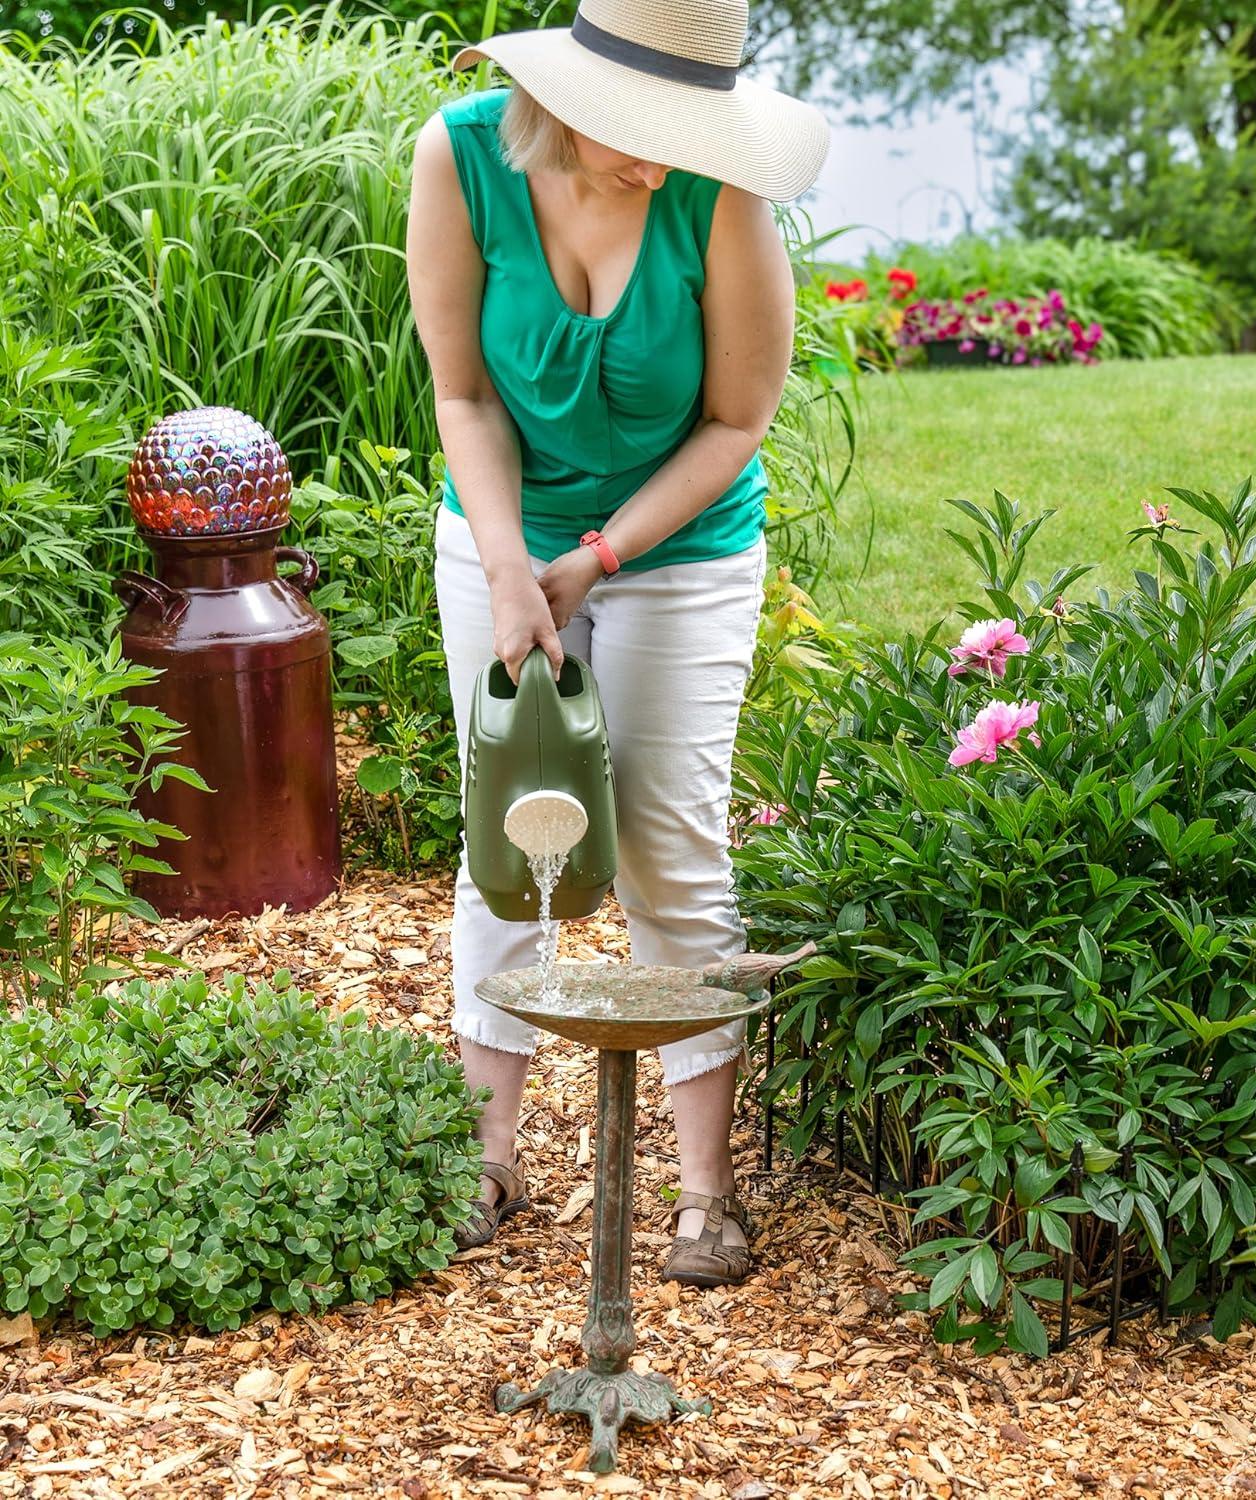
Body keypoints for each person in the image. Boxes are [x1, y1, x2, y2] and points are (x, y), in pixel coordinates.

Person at [405, 0, 829, 1288]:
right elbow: (465, 391)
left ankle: (704, 1195)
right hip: (500, 533)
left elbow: (737, 418)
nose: (658, 156)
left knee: (666, 835)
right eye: (637, 130)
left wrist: (593, 562)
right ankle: (487, 1157)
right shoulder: (463, 157)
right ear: (565, 97)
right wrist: (507, 566)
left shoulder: (717, 194)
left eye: (682, 131)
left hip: (680, 549)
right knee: (510, 827)